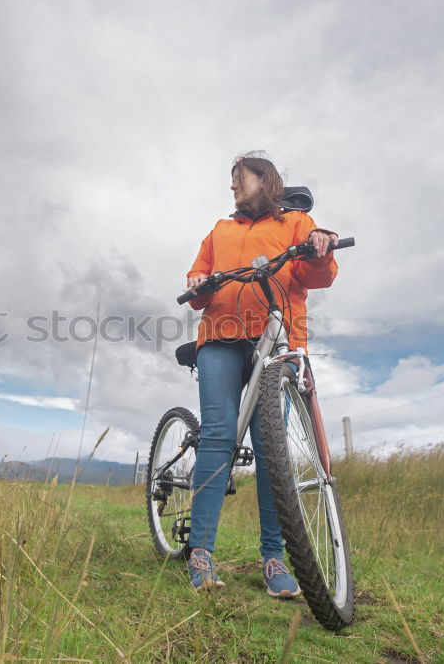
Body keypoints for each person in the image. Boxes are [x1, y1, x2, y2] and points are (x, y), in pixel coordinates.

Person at [183, 153, 339, 595]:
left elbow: (317, 276)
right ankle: (200, 553)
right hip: (219, 338)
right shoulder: (220, 229)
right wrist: (197, 281)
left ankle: (274, 558)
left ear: (264, 180)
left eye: (240, 178)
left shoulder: (296, 221)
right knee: (217, 436)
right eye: (231, 181)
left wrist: (320, 247)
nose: (233, 186)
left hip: (276, 340)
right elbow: (198, 276)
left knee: (272, 447)